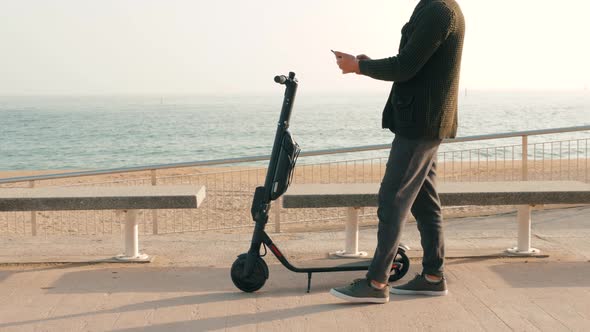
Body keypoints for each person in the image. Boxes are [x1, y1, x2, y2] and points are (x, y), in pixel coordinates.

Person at [330, 0, 465, 304]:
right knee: (424, 202)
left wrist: (360, 67)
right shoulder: (436, 7)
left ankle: (376, 282)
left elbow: (405, 67)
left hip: (420, 124)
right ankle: (433, 277)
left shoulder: (439, 11)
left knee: (393, 199)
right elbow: (412, 61)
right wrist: (366, 63)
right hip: (425, 121)